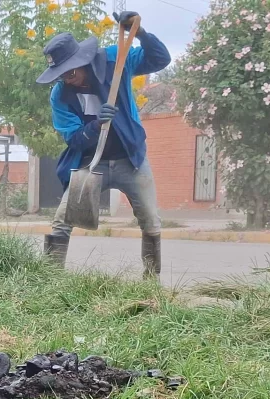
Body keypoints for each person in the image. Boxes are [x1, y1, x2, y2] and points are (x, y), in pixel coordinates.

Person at [38, 12, 171, 279]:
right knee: (61, 222)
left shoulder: (115, 60)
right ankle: (49, 283)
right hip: (90, 163)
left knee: (150, 221)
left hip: (130, 160)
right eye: (61, 74)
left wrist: (140, 32)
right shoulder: (60, 95)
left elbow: (160, 59)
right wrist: (95, 125)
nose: (67, 78)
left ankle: (150, 285)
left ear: (83, 61)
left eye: (71, 71)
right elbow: (73, 138)